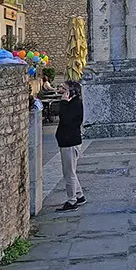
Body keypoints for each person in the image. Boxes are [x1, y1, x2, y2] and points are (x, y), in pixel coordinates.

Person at [55, 81, 86, 212]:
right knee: (70, 171)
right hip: (67, 141)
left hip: (70, 142)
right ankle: (79, 195)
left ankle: (71, 200)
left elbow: (66, 119)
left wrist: (63, 102)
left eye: (64, 88)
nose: (61, 90)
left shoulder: (74, 104)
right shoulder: (72, 104)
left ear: (70, 92)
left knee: (69, 173)